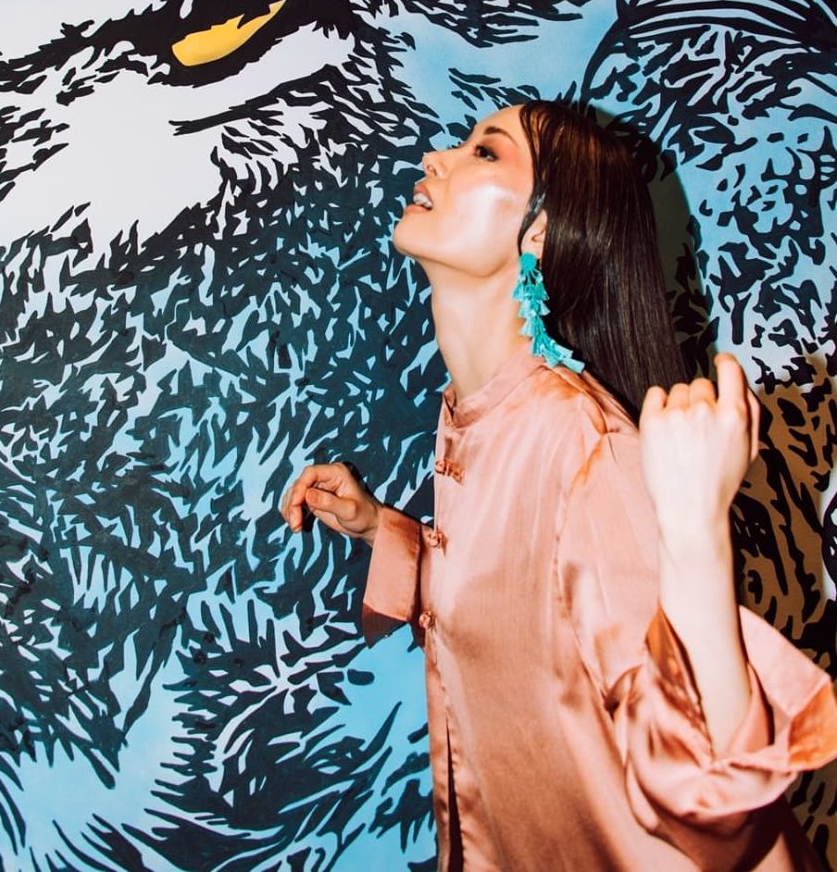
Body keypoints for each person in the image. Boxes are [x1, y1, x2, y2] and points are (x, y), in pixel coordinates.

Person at [281, 99, 837, 872]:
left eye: (485, 153)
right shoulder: (477, 414)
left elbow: (713, 788)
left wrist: (694, 538)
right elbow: (521, 603)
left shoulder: (583, 446)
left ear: (539, 231)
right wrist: (382, 528)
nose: (436, 158)